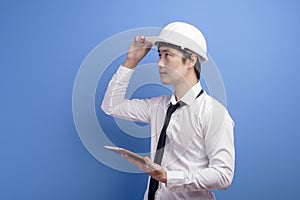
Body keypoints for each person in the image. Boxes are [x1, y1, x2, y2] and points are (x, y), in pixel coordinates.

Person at [101, 22, 235, 200]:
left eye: (168, 55)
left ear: (191, 60)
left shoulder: (213, 113)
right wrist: (130, 62)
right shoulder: (158, 107)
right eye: (159, 55)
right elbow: (111, 106)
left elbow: (223, 175)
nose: (159, 63)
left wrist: (168, 177)